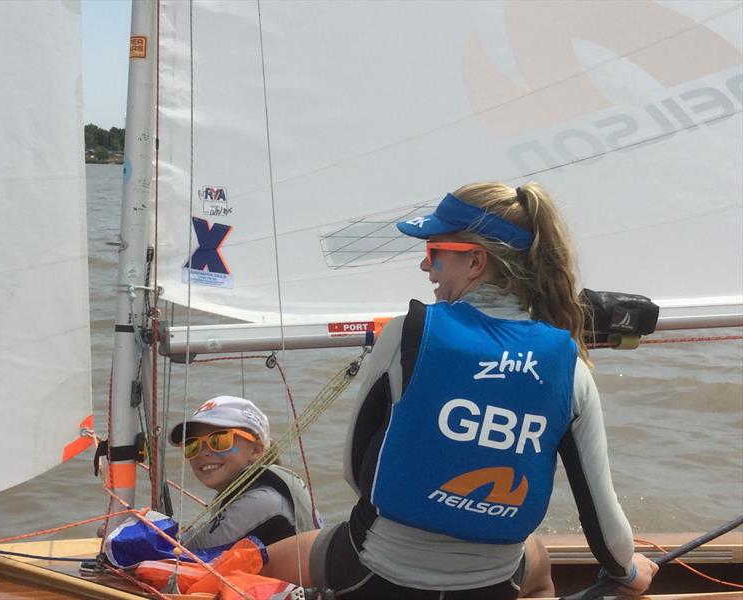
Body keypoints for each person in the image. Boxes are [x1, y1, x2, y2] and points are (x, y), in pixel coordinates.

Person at [261, 183, 658, 598]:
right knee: (537, 564)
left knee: (258, 563)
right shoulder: (571, 368)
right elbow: (603, 523)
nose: (425, 268)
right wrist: (630, 572)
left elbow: (355, 471)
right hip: (493, 584)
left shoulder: (405, 334)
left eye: (434, 253)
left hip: (374, 572)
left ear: (475, 261)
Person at [168, 395, 320, 550]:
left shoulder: (262, 501)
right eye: (192, 445)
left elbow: (184, 548)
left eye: (220, 440)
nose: (203, 453)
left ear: (255, 450)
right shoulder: (250, 493)